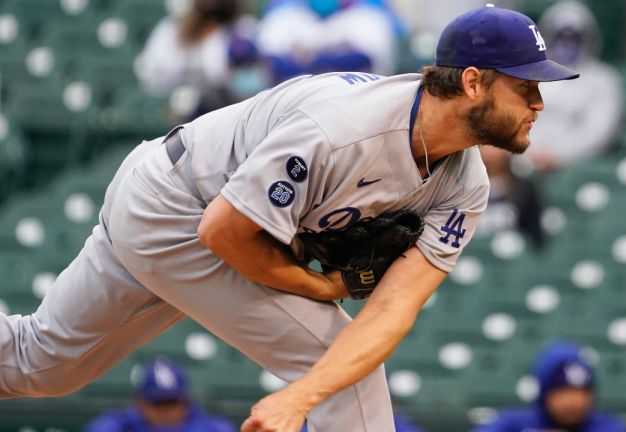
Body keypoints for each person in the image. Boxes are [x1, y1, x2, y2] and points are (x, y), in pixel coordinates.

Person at [0, 5, 577, 432]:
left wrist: (308, 361)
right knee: (344, 379)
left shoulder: (465, 183)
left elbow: (393, 310)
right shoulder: (346, 130)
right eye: (526, 86)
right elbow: (222, 232)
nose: (540, 103)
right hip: (178, 207)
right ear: (473, 82)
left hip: (175, 197)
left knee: (40, 366)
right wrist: (312, 292)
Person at [525, 0, 625, 170]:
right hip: (524, 163)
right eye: (560, 36)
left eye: (574, 37)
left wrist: (560, 155)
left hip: (578, 166)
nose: (567, 44)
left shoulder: (603, 80)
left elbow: (599, 131)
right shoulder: (526, 75)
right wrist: (528, 155)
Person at [472, 341, 626, 432]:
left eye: (581, 391)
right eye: (562, 390)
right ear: (543, 393)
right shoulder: (511, 422)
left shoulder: (608, 426)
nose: (573, 401)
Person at [140, 0, 263, 115]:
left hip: (225, 110)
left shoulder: (244, 26)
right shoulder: (172, 29)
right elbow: (152, 75)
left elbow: (254, 81)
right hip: (181, 111)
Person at [258, 0, 401, 83]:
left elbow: (369, 60)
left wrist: (310, 62)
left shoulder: (369, 17)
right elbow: (268, 61)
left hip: (355, 108)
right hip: (293, 108)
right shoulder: (282, 17)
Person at [82, 359, 236, 432]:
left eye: (172, 402)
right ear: (140, 403)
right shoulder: (117, 425)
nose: (165, 410)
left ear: (186, 401)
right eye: (157, 403)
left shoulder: (213, 428)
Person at [476, 145, 545, 248]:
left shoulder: (523, 188)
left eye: (495, 145)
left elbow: (533, 230)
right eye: (483, 145)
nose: (489, 152)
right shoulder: (458, 188)